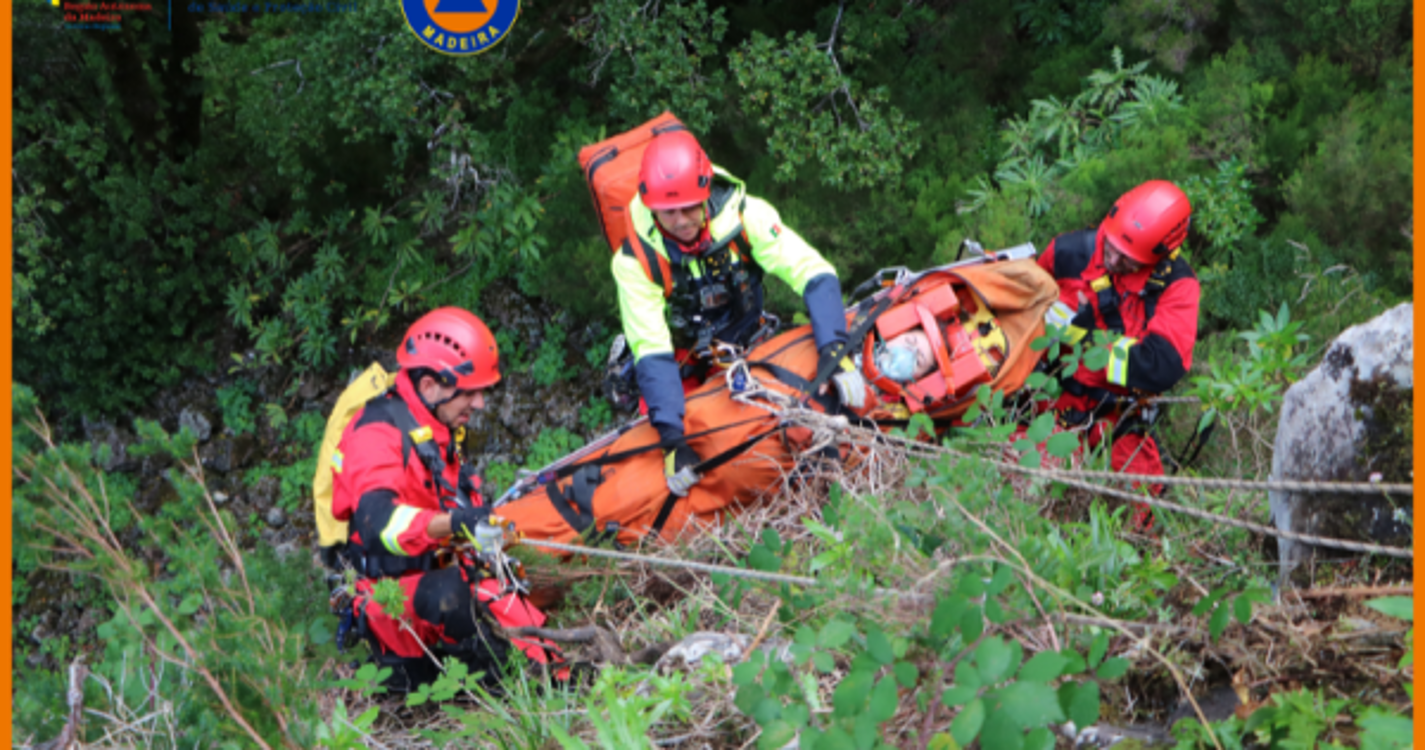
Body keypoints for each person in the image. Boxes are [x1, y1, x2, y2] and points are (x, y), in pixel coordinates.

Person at [611, 129, 861, 498]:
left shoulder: (746, 217)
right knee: (680, 450)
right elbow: (651, 348)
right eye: (668, 212)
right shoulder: (636, 260)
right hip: (683, 362)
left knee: (801, 408)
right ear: (651, 207)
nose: (680, 221)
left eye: (689, 208)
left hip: (746, 344)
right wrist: (671, 440)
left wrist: (834, 349)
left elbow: (813, 272)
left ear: (706, 193)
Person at [330, 307, 561, 690]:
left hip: (431, 570)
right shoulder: (376, 433)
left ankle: (551, 670)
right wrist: (456, 525)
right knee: (455, 595)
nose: (481, 403)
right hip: (389, 596)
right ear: (429, 385)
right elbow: (378, 524)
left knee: (503, 579)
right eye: (470, 392)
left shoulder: (435, 428)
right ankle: (519, 688)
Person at [1038, 180, 1200, 530]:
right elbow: (1027, 309)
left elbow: (1159, 366)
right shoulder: (1067, 253)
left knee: (1138, 518)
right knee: (1040, 498)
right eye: (1109, 247)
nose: (1111, 259)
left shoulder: (1176, 287)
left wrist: (1088, 342)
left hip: (1119, 418)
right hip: (1055, 407)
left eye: (1126, 259)